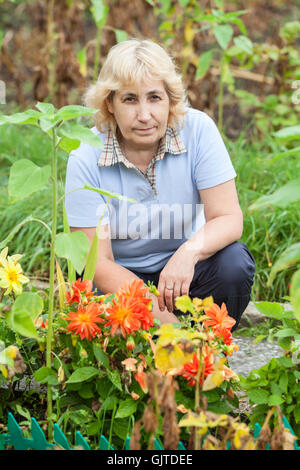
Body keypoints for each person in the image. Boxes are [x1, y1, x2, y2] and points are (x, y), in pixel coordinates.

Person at [65, 38, 255, 330]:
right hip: (118, 280)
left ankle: (212, 346)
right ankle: (177, 344)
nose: (144, 115)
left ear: (170, 100)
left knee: (234, 264)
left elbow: (228, 218)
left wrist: (189, 253)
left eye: (154, 97)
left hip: (185, 273)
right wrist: (168, 327)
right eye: (130, 99)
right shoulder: (86, 153)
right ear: (110, 104)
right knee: (93, 297)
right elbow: (98, 263)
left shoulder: (198, 131)